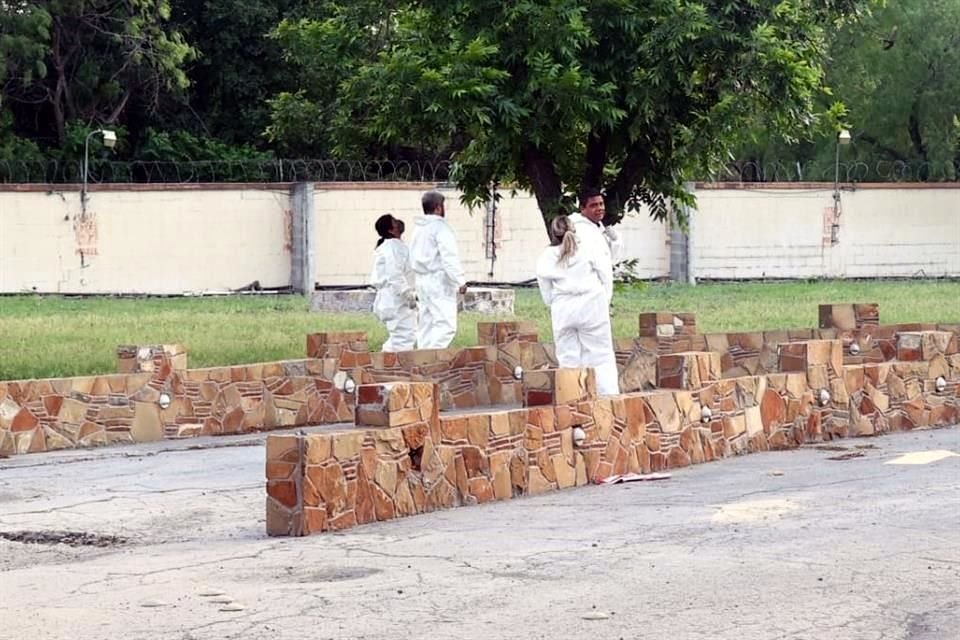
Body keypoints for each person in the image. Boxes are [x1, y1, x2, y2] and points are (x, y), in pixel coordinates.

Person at [536, 215, 620, 396]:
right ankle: (608, 396)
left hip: (563, 307)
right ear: (574, 229)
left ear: (553, 233)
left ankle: (572, 399)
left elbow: (546, 290)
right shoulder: (589, 248)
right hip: (592, 303)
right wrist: (605, 299)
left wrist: (554, 303)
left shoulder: (547, 256)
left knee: (567, 357)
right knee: (600, 354)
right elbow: (605, 274)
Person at [409, 190, 466, 349]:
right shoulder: (441, 228)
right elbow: (449, 257)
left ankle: (422, 359)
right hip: (438, 280)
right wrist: (460, 280)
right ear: (438, 208)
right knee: (446, 325)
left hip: (421, 280)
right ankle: (434, 359)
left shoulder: (418, 229)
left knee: (426, 323)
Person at [369, 214, 417, 352]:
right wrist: (408, 294)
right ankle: (395, 369)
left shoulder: (394, 246)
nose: (399, 221)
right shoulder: (392, 246)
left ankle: (384, 366)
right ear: (391, 230)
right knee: (404, 338)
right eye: (394, 221)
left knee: (401, 337)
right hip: (396, 299)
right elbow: (394, 274)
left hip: (393, 298)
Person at [569, 187, 622, 265]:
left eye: (601, 204)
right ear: (582, 208)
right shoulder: (579, 229)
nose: (599, 208)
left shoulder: (599, 226)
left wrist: (614, 239)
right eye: (594, 205)